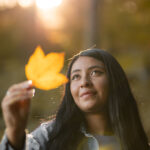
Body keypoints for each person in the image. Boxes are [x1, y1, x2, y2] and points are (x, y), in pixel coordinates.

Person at [0, 48, 149, 150]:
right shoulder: (48, 137)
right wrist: (14, 132)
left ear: (115, 81)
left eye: (95, 72)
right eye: (76, 76)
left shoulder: (135, 143)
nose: (84, 82)